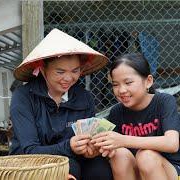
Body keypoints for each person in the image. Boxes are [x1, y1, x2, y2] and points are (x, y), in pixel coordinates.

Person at [10, 28, 113, 180]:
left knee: (100, 170)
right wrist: (69, 146)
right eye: (60, 72)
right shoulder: (24, 97)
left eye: (75, 71)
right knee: (68, 167)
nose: (68, 78)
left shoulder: (84, 98)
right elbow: (29, 150)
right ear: (43, 69)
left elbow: (87, 139)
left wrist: (91, 148)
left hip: (74, 158)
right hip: (30, 163)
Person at [91, 53, 180, 180]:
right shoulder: (116, 112)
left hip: (169, 170)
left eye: (128, 82)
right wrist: (99, 147)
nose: (121, 90)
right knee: (119, 154)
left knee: (146, 156)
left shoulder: (164, 101)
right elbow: (113, 147)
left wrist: (122, 140)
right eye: (115, 84)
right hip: (136, 171)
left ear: (148, 81)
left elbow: (172, 143)